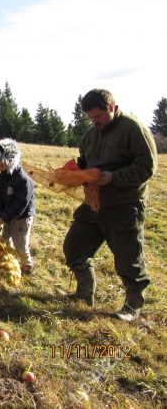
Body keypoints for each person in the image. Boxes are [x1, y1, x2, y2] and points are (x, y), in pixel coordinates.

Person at [62, 89, 157, 322]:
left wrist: (113, 177)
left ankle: (133, 306)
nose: (94, 122)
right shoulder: (90, 135)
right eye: (90, 118)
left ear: (111, 107)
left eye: (98, 116)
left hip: (124, 206)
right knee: (74, 248)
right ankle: (84, 293)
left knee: (129, 258)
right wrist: (72, 174)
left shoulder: (134, 130)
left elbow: (147, 167)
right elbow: (85, 162)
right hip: (93, 203)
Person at [0, 138, 36, 275]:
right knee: (5, 240)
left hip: (21, 218)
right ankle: (9, 263)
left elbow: (20, 204)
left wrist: (4, 217)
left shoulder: (23, 180)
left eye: (2, 165)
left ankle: (27, 267)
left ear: (11, 161)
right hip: (7, 216)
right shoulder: (2, 177)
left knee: (20, 244)